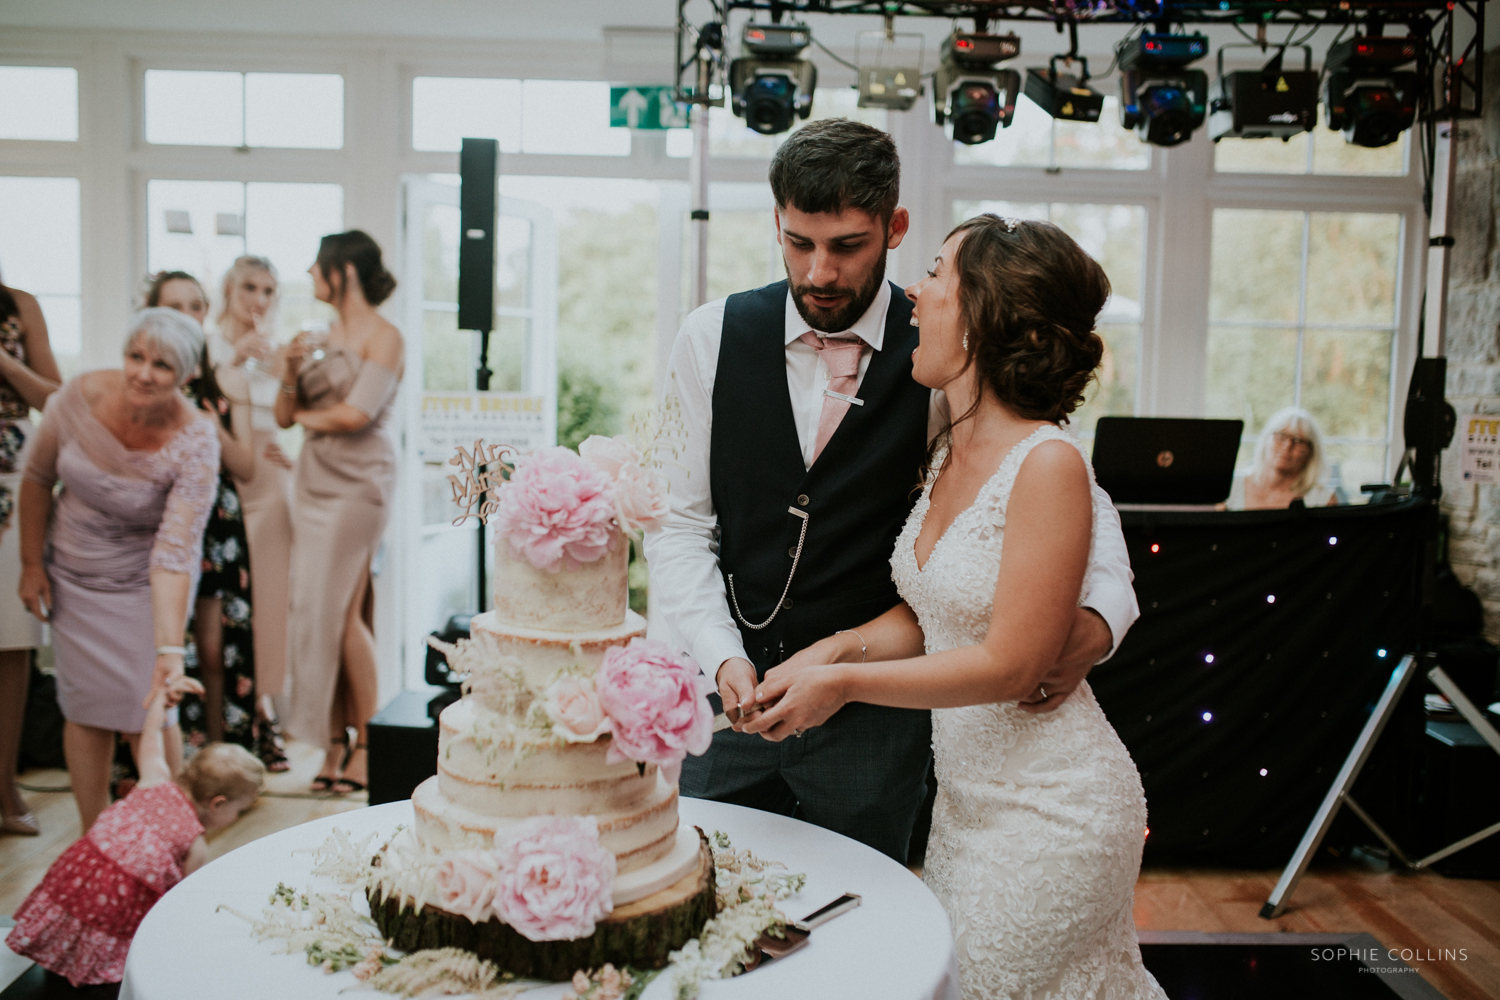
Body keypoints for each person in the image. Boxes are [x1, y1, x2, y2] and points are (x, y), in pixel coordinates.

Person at [643, 119, 1138, 865]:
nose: (819, 273)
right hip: (724, 704)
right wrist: (721, 657)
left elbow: (1059, 483)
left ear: (894, 227)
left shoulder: (945, 346)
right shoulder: (708, 338)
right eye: (798, 243)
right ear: (776, 224)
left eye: (847, 246)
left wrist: (1100, 616)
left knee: (866, 918)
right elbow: (678, 524)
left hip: (881, 720)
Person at [742, 216, 1166, 999]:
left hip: (1053, 812)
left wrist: (844, 686)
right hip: (966, 810)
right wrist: (836, 649)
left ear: (980, 317)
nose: (915, 294)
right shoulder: (948, 447)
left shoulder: (1048, 463)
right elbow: (934, 611)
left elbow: (1012, 663)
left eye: (937, 274)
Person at [19, 307, 220, 831]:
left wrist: (169, 650)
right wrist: (29, 565)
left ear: (187, 375)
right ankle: (93, 837)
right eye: (136, 356)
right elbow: (38, 478)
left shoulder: (196, 440)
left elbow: (175, 552)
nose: (143, 373)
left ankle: (172, 838)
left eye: (161, 365)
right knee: (85, 710)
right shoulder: (78, 396)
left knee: (153, 709)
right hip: (71, 577)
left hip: (143, 586)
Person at [5, 674, 263, 990]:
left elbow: (150, 733)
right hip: (112, 903)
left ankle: (60, 968)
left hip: (75, 877)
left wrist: (161, 700)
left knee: (75, 925)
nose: (237, 816)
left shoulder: (155, 778)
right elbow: (184, 901)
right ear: (219, 803)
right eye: (239, 810)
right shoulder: (195, 844)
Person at [278, 230, 402, 794]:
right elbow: (283, 414)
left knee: (345, 613)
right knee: (313, 613)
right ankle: (331, 745)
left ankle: (370, 744)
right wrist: (287, 370)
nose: (309, 272)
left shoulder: (386, 337)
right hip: (313, 482)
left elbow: (356, 414)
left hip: (359, 486)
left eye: (317, 264)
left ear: (343, 271)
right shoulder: (316, 336)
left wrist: (304, 419)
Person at [145, 271, 265, 761]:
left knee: (215, 651)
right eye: (173, 306)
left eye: (195, 305)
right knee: (165, 647)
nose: (186, 316)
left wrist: (209, 425)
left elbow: (247, 468)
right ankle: (162, 762)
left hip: (217, 527)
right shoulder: (144, 380)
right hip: (160, 525)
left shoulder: (227, 380)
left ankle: (219, 761)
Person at [212, 256, 295, 767]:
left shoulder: (281, 348)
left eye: (268, 289)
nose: (258, 299)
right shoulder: (207, 342)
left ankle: (263, 711)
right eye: (248, 287)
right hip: (219, 476)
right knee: (217, 605)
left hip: (270, 477)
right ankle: (218, 719)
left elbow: (293, 411)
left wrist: (295, 454)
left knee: (268, 599)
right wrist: (233, 359)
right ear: (228, 288)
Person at [0, 273, 62, 837]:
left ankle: (4, 787)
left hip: (11, 480)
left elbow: (56, 398)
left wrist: (6, 365)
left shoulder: (20, 306)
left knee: (12, 639)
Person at [1227, 405, 1338, 510]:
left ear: (1310, 453)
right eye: (1281, 436)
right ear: (1265, 440)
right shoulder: (1231, 486)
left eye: (1298, 441)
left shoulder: (1322, 499)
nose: (1287, 446)